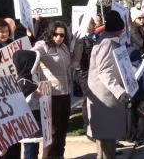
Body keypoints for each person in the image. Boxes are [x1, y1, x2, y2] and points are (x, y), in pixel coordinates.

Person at [31, 21, 82, 159]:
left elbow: (74, 63)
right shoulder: (43, 46)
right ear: (50, 33)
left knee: (62, 129)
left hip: (65, 93)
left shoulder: (65, 47)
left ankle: (59, 155)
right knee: (51, 132)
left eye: (62, 35)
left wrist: (79, 45)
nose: (58, 37)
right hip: (50, 95)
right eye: (55, 34)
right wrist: (34, 59)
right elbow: (32, 55)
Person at [87, 10, 131, 159]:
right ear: (119, 28)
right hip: (105, 98)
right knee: (106, 144)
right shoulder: (106, 43)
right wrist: (120, 91)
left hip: (106, 97)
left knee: (106, 143)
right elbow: (105, 72)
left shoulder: (107, 40)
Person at [13, 50, 42, 159]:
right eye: (36, 62)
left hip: (33, 121)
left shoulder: (29, 81)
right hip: (29, 123)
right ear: (29, 64)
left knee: (34, 148)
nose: (39, 65)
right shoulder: (24, 83)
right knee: (30, 149)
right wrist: (35, 95)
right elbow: (21, 104)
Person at [73, 14, 98, 141]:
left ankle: (95, 127)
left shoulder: (95, 37)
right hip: (85, 75)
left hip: (95, 74)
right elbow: (80, 60)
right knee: (88, 101)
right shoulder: (80, 39)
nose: (93, 25)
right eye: (90, 23)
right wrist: (85, 76)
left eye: (93, 23)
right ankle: (88, 128)